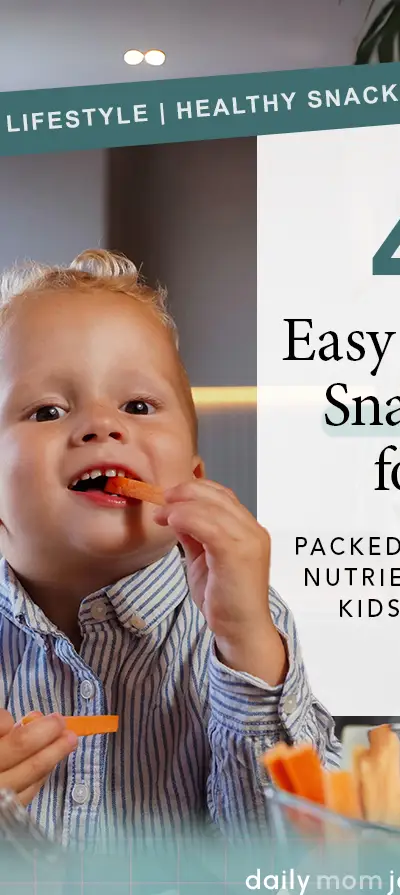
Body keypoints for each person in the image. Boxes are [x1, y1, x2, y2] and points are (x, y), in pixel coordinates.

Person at [0, 249, 340, 847]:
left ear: (195, 477)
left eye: (137, 406)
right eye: (47, 410)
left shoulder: (245, 624)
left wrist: (249, 647)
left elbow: (297, 866)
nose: (102, 426)